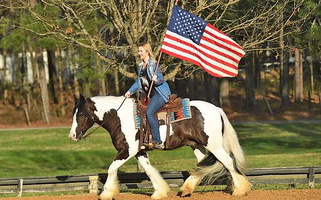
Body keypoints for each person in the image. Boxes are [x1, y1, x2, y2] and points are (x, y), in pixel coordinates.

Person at [125, 42, 171, 149]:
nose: (139, 53)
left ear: (147, 52)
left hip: (160, 94)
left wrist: (156, 79)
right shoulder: (141, 67)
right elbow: (138, 83)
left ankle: (157, 141)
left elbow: (161, 79)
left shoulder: (153, 64)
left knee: (150, 112)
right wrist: (130, 91)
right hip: (150, 95)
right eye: (138, 51)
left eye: (141, 51)